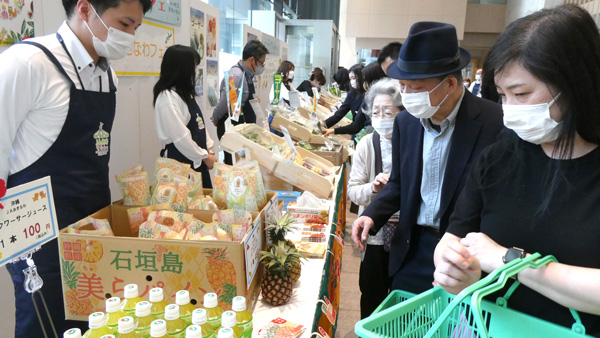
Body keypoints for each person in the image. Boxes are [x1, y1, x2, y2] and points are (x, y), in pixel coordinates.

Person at [433, 5, 600, 335]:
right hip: (486, 326)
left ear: (576, 84)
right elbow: (456, 237)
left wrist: (511, 261)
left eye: (522, 94)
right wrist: (452, 267)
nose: (509, 112)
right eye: (503, 96)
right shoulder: (497, 159)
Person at [0, 0, 152, 336]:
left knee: (93, 320)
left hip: (92, 226)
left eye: (135, 28)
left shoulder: (106, 74)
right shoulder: (28, 63)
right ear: (84, 9)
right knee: (43, 322)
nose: (130, 36)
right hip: (37, 233)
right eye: (125, 24)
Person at [351, 21, 504, 296]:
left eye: (416, 87)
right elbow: (400, 182)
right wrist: (373, 215)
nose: (407, 96)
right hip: (411, 247)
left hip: (463, 257)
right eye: (403, 86)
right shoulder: (406, 123)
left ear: (450, 84)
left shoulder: (494, 124)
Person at [348, 78, 403, 318]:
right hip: (375, 235)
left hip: (406, 234)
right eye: (376, 112)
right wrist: (373, 188)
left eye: (388, 112)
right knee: (372, 291)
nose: (381, 117)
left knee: (401, 295)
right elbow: (353, 191)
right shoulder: (366, 144)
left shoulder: (414, 141)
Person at [153, 45, 217, 189]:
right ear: (181, 69)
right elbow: (181, 137)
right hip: (180, 163)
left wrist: (209, 150)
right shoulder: (167, 98)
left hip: (197, 159)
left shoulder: (185, 94)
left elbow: (200, 125)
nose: (195, 72)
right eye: (193, 67)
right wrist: (205, 156)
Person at [212, 39, 269, 165]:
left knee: (242, 164)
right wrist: (215, 118)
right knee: (234, 165)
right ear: (252, 60)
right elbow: (224, 102)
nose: (262, 67)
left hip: (241, 129)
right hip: (232, 128)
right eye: (261, 63)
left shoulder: (248, 75)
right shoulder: (236, 75)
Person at [323, 61, 386, 137]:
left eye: (354, 78)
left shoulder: (385, 100)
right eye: (350, 79)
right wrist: (326, 125)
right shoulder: (363, 98)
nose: (365, 83)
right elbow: (356, 125)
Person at [322, 64, 365, 134]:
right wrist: (323, 124)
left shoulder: (369, 96)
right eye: (350, 79)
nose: (352, 81)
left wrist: (334, 131)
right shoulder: (351, 95)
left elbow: (357, 126)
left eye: (354, 78)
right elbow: (338, 115)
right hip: (356, 132)